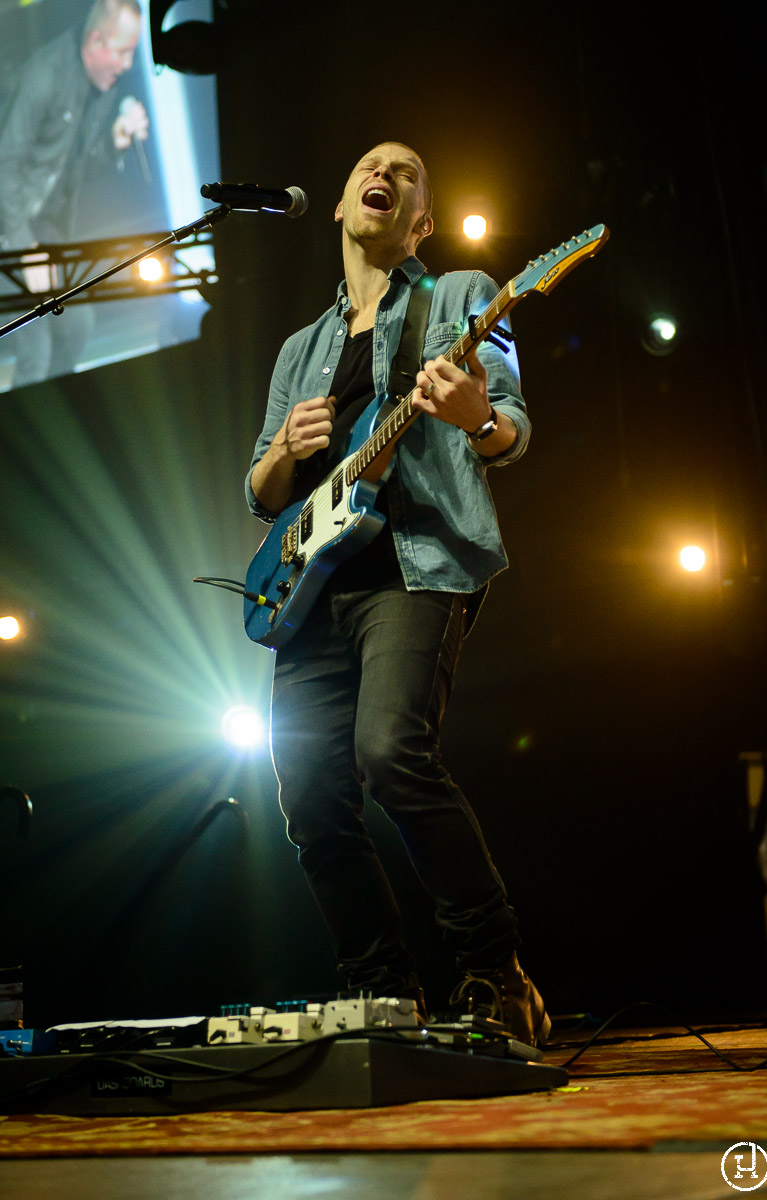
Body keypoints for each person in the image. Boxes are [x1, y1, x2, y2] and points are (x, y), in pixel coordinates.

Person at [245, 142, 550, 1048]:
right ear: (341, 206)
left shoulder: (462, 297)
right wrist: (284, 455)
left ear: (418, 220)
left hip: (416, 566)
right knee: (307, 794)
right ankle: (380, 989)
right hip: (312, 587)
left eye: (408, 169)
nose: (386, 168)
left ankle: (493, 970)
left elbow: (512, 431)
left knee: (389, 754)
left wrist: (475, 418)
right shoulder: (299, 350)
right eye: (370, 163)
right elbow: (258, 494)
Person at [0, 0, 149, 386]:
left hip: (43, 224)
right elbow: (5, 166)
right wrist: (25, 249)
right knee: (35, 342)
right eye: (122, 51)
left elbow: (77, 166)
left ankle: (64, 399)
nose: (127, 62)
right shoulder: (46, 73)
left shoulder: (102, 88)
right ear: (95, 40)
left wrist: (114, 141)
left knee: (76, 326)